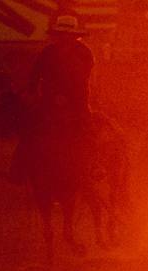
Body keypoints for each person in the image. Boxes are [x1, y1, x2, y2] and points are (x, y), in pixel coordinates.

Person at [10, 14, 94, 184]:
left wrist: (65, 96)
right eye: (61, 33)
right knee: (29, 128)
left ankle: (93, 166)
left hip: (77, 101)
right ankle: (20, 169)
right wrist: (32, 92)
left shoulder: (84, 53)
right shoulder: (48, 52)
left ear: (74, 35)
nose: (64, 37)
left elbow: (82, 78)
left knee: (88, 130)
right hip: (49, 100)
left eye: (67, 33)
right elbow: (36, 74)